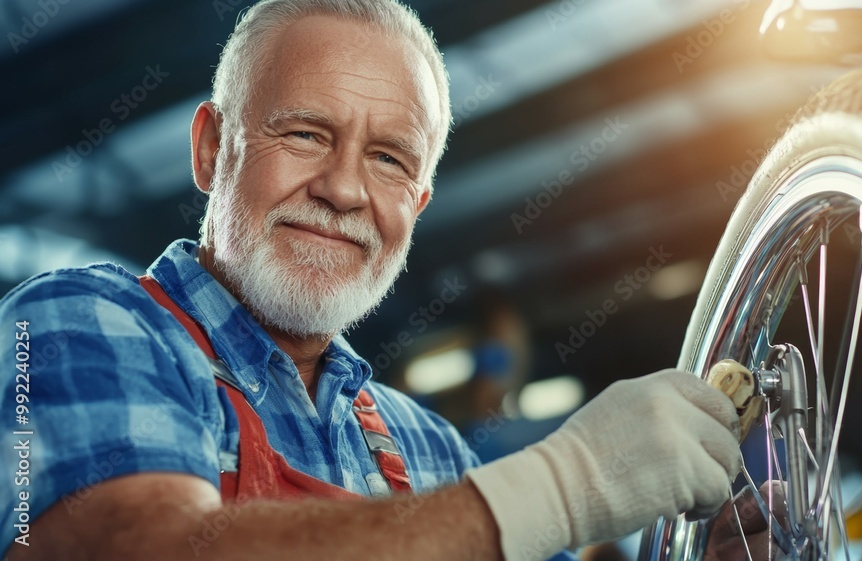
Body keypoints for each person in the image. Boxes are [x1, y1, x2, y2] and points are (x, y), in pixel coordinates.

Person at [0, 1, 778, 559]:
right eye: (306, 133)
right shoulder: (77, 324)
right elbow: (137, 546)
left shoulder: (427, 449)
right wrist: (567, 483)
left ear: (419, 202)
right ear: (211, 149)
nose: (344, 189)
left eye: (388, 159)